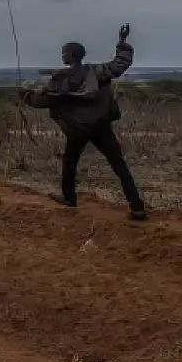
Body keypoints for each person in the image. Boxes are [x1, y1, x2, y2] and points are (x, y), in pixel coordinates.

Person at [20, 23, 146, 221]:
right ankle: (137, 207)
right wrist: (122, 41)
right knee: (118, 164)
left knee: (70, 162)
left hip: (77, 129)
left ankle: (69, 198)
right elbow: (120, 64)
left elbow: (43, 100)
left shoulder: (59, 79)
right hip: (101, 126)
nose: (62, 56)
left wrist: (25, 96)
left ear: (70, 56)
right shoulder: (97, 72)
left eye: (64, 53)